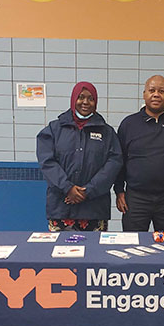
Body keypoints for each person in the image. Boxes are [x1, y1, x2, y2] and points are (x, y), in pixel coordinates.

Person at [37, 81, 122, 232]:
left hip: (94, 208)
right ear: (73, 99)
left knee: (94, 254)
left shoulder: (107, 132)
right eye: (81, 97)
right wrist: (67, 187)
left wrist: (88, 190)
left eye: (91, 98)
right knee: (61, 253)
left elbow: (114, 163)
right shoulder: (54, 129)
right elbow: (47, 162)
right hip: (61, 207)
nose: (85, 102)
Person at [114, 75, 164, 231]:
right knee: (132, 245)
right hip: (136, 198)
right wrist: (119, 191)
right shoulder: (129, 124)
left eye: (161, 91)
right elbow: (119, 160)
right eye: (152, 90)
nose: (156, 94)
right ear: (144, 94)